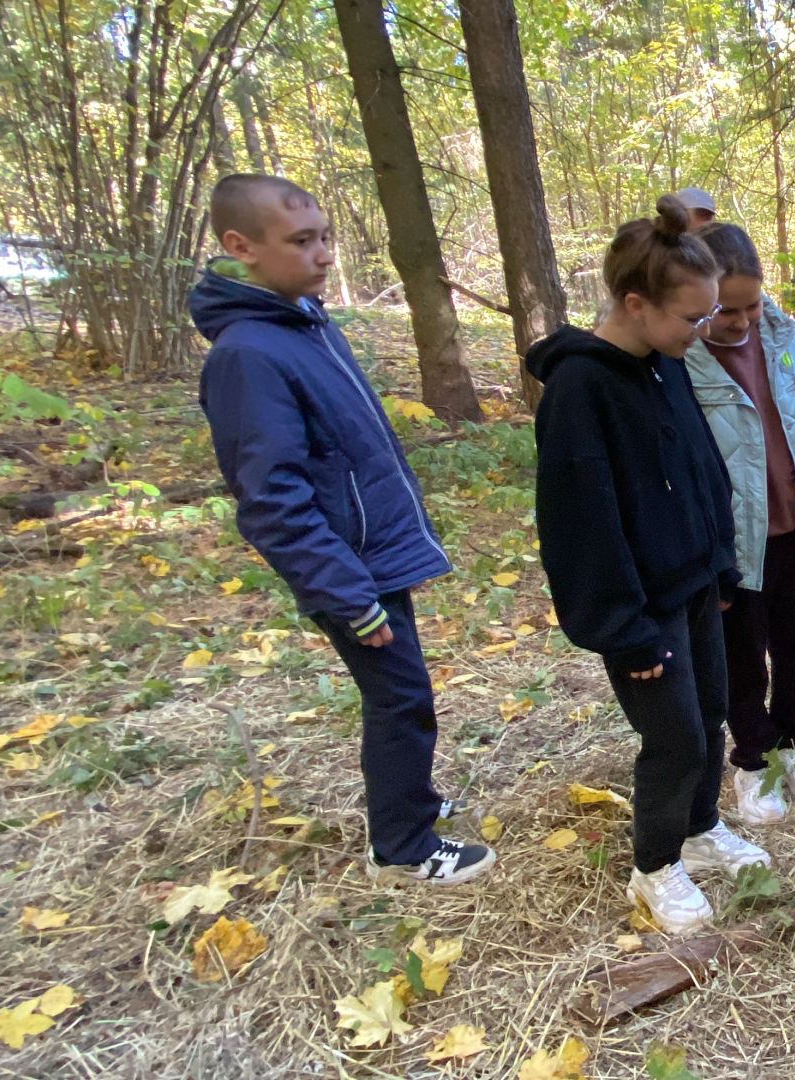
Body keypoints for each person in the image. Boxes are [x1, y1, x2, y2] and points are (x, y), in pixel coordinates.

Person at [191, 174, 494, 886]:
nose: (324, 253)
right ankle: (402, 846)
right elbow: (269, 496)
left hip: (370, 552)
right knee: (401, 698)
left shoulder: (306, 322)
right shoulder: (247, 354)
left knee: (405, 691)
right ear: (241, 247)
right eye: (302, 241)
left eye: (326, 236)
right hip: (347, 568)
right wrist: (344, 591)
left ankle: (409, 801)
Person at [529, 195, 768, 935]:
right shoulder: (580, 388)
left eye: (708, 318)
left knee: (710, 712)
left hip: (695, 583)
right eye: (692, 318)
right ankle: (655, 867)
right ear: (636, 304)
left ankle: (700, 829)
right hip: (641, 605)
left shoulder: (665, 366)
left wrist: (721, 564)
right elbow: (580, 523)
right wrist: (624, 630)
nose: (703, 334)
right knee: (675, 738)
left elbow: (699, 470)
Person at [682, 223, 795, 825]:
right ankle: (753, 761)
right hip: (733, 543)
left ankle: (792, 744)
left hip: (790, 531)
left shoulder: (779, 334)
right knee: (742, 657)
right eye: (727, 309)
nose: (742, 320)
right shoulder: (684, 357)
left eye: (752, 304)